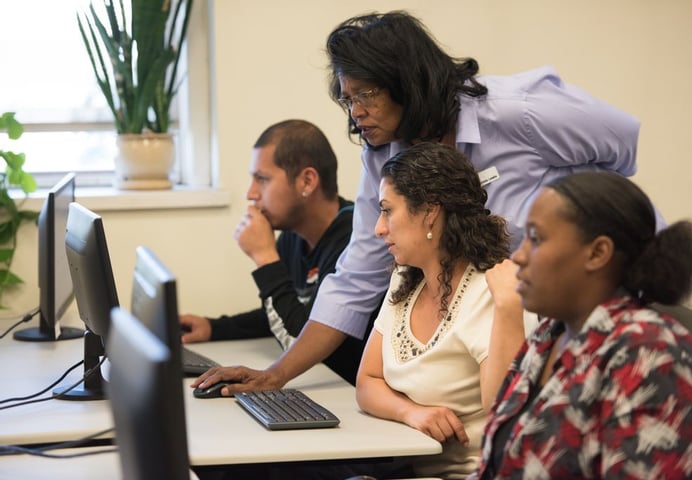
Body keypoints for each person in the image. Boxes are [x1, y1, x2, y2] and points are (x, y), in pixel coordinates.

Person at [194, 10, 647, 394]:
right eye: (347, 99)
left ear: (405, 82)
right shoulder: (384, 154)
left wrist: (571, 202)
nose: (356, 112)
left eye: (366, 94)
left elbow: (622, 144)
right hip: (522, 311)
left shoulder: (515, 112)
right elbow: (357, 275)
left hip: (608, 282)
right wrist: (277, 375)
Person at [471, 171, 692, 479]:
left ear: (598, 252)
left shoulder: (654, 355)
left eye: (535, 238)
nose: (518, 256)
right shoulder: (551, 332)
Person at [355, 143, 537, 480]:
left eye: (387, 211)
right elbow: (367, 382)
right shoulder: (406, 281)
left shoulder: (494, 292)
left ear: (429, 213)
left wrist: (510, 307)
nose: (379, 228)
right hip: (413, 468)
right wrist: (410, 412)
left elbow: (505, 413)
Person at [182, 119, 365, 385]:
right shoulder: (293, 236)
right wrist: (214, 328)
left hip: (349, 394)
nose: (250, 193)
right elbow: (280, 311)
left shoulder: (354, 241)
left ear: (307, 180)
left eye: (262, 179)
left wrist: (265, 258)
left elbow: (300, 339)